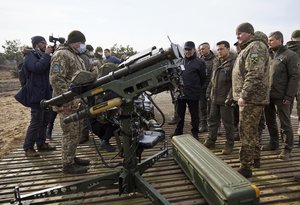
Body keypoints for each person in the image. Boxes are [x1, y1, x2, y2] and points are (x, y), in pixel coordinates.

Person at [232, 22, 270, 178]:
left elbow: (254, 74)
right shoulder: (250, 48)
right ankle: (255, 159)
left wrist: (243, 96)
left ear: (249, 33)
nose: (238, 36)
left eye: (240, 33)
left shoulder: (255, 48)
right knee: (252, 131)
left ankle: (245, 167)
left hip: (250, 99)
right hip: (252, 98)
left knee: (246, 132)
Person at [50, 30, 90, 174]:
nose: (83, 46)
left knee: (76, 132)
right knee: (70, 133)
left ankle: (71, 157)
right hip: (67, 102)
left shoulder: (74, 55)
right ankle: (67, 164)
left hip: (76, 101)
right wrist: (65, 99)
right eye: (82, 43)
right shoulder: (62, 54)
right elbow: (56, 78)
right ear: (76, 42)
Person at [261, 31, 299, 160]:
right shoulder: (270, 56)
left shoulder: (290, 55)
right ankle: (273, 143)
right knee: (269, 121)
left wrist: (289, 96)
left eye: (271, 40)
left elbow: (294, 77)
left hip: (282, 96)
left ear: (279, 40)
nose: (268, 43)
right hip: (268, 95)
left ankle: (287, 149)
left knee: (285, 123)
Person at [19, 36, 56, 157]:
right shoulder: (30, 56)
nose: (45, 44)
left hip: (46, 94)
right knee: (36, 121)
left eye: (45, 43)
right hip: (35, 95)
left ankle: (41, 143)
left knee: (45, 119)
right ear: (36, 44)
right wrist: (46, 55)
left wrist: (52, 55)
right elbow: (37, 68)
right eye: (42, 43)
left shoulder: (42, 56)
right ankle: (28, 148)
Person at [203, 41, 235, 155]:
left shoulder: (233, 62)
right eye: (218, 49)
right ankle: (211, 140)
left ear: (227, 49)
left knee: (228, 124)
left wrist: (230, 97)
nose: (219, 51)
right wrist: (208, 93)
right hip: (214, 98)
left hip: (226, 100)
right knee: (212, 121)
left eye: (221, 49)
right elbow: (212, 79)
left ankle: (229, 144)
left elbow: (235, 83)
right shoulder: (216, 61)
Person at [173, 41, 206, 139]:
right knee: (180, 115)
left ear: (194, 50)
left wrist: (195, 87)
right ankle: (178, 131)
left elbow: (203, 78)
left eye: (189, 50)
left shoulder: (200, 62)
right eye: (186, 50)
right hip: (181, 93)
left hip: (193, 93)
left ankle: (195, 132)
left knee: (194, 115)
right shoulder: (179, 61)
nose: (187, 52)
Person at [197, 42, 215, 133]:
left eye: (203, 49)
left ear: (208, 48)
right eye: (200, 49)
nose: (201, 51)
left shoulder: (215, 60)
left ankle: (215, 127)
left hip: (212, 88)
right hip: (201, 88)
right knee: (202, 108)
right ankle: (203, 125)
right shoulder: (199, 60)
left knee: (212, 109)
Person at [286, 30, 300, 142]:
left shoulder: (285, 50)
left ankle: (286, 140)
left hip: (287, 84)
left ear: (291, 38)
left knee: (285, 113)